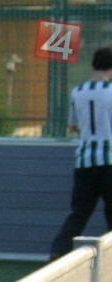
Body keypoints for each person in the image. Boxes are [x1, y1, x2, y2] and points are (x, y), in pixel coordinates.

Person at [51, 47, 112, 259]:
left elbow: (74, 125)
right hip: (110, 160)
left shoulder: (77, 92)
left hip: (85, 160)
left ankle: (58, 251)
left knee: (79, 213)